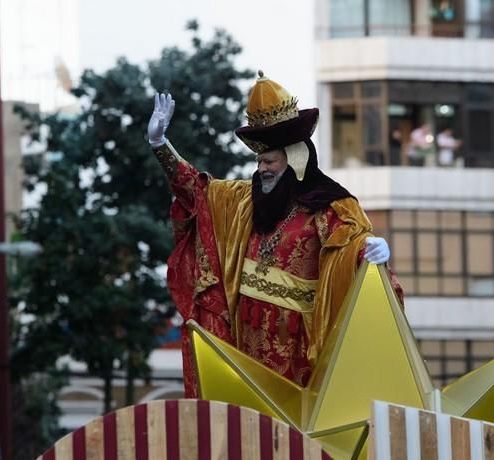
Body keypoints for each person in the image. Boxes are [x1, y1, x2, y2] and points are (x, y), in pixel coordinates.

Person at [148, 71, 403, 396]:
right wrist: (160, 145)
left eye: (269, 161)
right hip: (244, 338)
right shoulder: (243, 200)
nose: (261, 169)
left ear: (295, 159)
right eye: (259, 161)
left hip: (297, 345)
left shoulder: (330, 206)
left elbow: (352, 246)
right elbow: (196, 191)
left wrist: (373, 253)